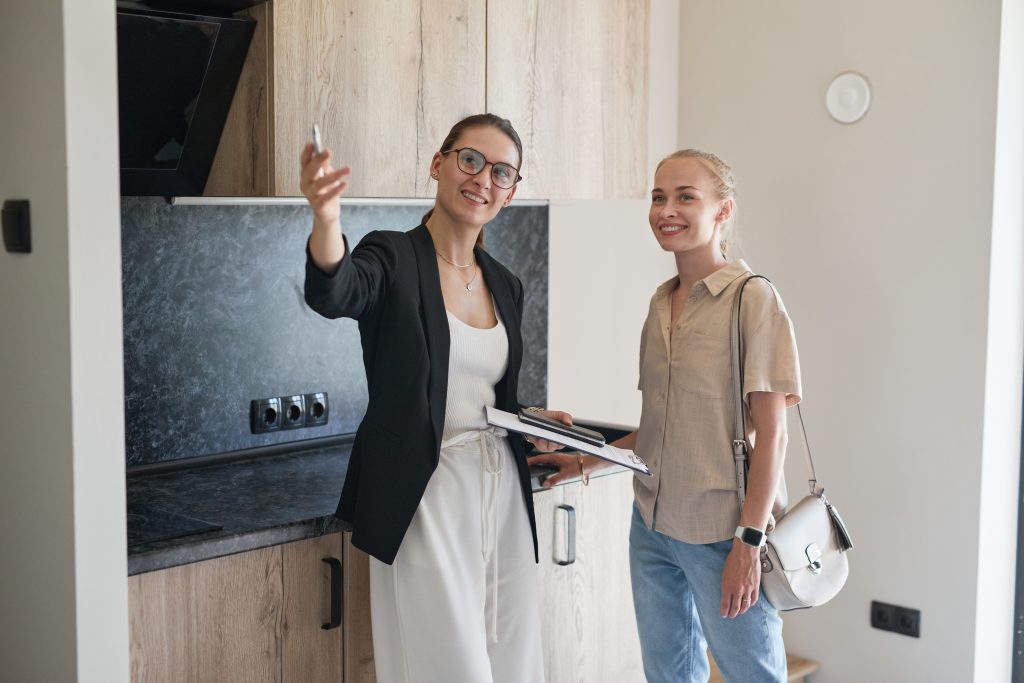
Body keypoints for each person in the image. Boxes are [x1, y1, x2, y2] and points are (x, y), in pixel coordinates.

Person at [300, 113, 570, 683]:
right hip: (424, 492)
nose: (483, 178)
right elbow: (337, 291)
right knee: (449, 669)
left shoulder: (506, 282)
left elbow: (480, 392)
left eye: (502, 172)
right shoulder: (393, 256)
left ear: (510, 192)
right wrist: (326, 218)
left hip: (502, 494)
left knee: (516, 665)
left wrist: (532, 421)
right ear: (438, 165)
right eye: (470, 159)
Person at [529, 149, 801, 682]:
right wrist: (585, 462)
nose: (666, 210)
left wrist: (748, 543)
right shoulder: (660, 303)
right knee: (668, 677)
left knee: (755, 676)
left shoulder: (753, 300)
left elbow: (774, 437)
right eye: (658, 197)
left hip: (723, 532)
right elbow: (661, 430)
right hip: (651, 528)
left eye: (685, 197)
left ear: (722, 211)